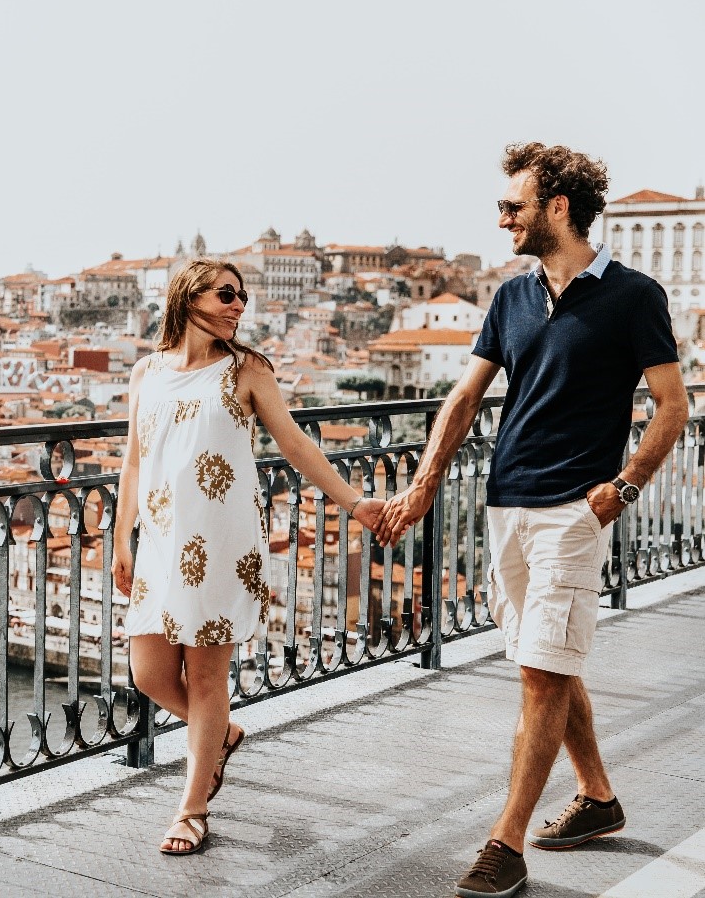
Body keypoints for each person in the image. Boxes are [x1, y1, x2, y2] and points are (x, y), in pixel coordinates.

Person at [377, 142, 688, 898]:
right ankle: (599, 798)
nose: (501, 216)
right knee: (544, 660)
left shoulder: (635, 295)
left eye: (513, 204)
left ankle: (504, 843)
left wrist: (624, 485)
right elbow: (464, 397)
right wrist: (423, 486)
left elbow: (673, 407)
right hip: (506, 504)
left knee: (542, 676)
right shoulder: (512, 295)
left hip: (574, 513)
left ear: (557, 207)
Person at [112, 258, 385, 856]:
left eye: (243, 298)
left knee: (207, 678)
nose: (239, 306)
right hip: (159, 544)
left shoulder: (246, 370)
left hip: (221, 543)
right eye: (227, 294)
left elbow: (294, 443)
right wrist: (120, 536)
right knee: (149, 674)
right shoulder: (146, 373)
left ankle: (191, 809)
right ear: (188, 298)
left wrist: (353, 502)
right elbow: (134, 458)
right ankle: (222, 735)